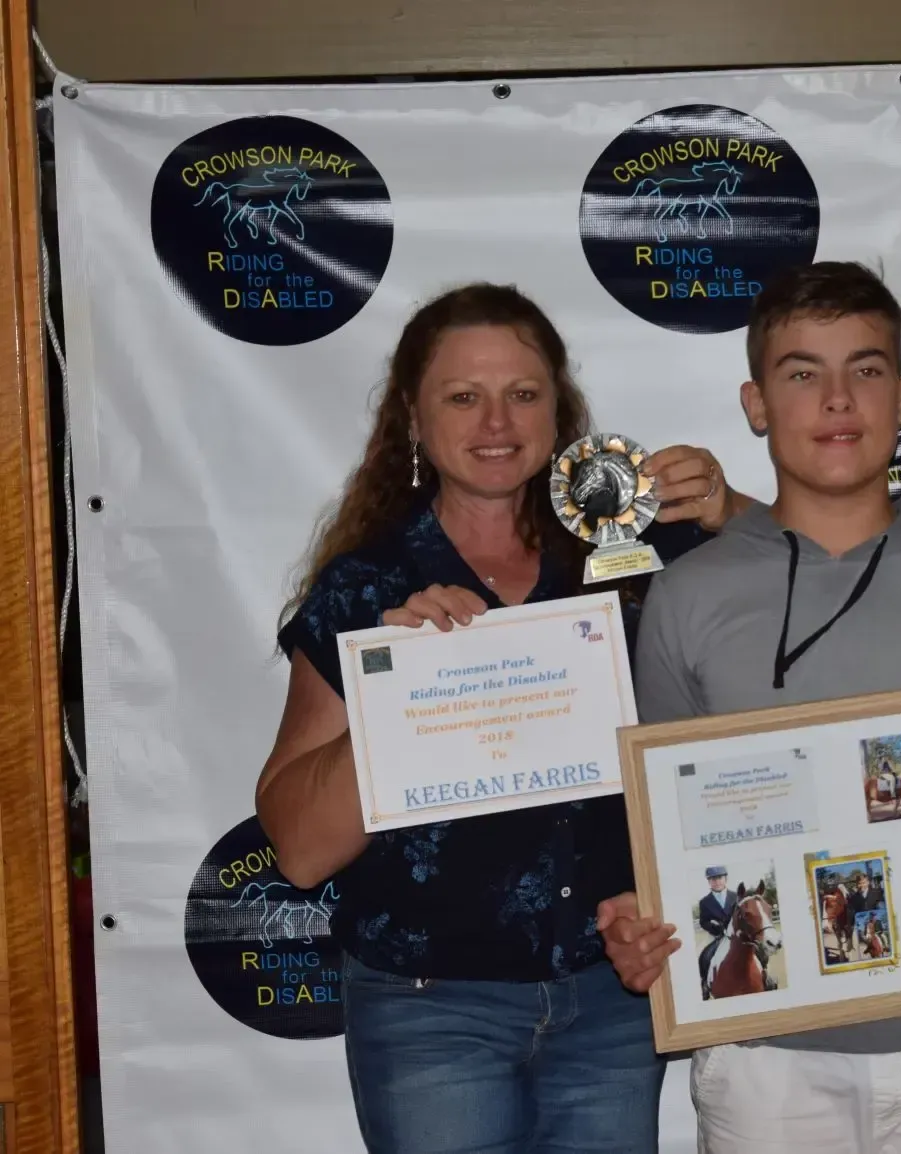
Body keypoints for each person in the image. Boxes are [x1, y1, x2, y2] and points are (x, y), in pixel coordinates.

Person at [596, 260, 901, 1153]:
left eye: (865, 370)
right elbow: (658, 835)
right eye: (801, 373)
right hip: (763, 1054)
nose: (837, 400)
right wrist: (641, 921)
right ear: (755, 404)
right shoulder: (686, 595)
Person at [256, 283, 753, 1154]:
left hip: (614, 995)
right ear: (413, 417)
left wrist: (729, 508)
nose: (496, 420)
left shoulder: (631, 552)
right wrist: (395, 684)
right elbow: (299, 850)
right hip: (428, 1005)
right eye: (463, 396)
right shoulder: (368, 589)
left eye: (523, 393)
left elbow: (821, 576)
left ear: (560, 412)